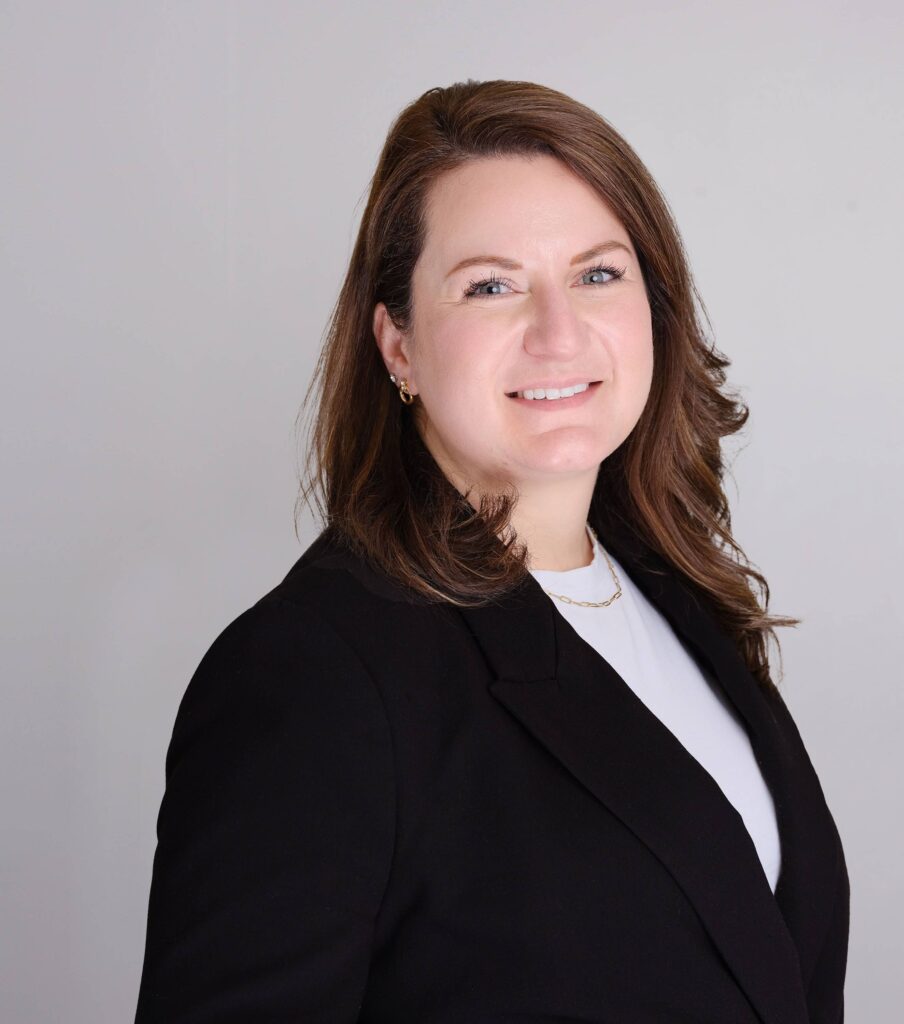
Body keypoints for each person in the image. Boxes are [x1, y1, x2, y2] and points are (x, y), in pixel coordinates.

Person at [134, 79, 849, 1023]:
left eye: (598, 273)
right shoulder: (313, 673)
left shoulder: (674, 592)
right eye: (491, 286)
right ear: (397, 344)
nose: (560, 332)